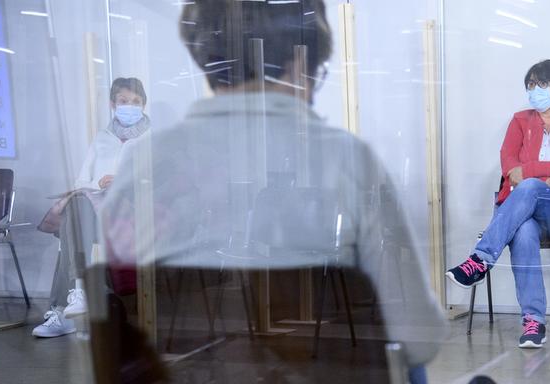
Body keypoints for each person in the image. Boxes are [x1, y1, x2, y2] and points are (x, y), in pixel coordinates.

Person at [96, 1, 445, 382]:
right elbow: (420, 339)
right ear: (300, 66)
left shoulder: (143, 157)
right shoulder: (349, 159)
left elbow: (117, 305)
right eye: (318, 72)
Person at [445, 59, 550, 349]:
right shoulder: (519, 121)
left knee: (528, 186)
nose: (534, 91)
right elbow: (509, 168)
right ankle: (533, 321)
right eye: (530, 85)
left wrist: (535, 175)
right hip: (527, 210)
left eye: (542, 84)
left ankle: (479, 261)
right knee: (524, 229)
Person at [32, 78, 151, 338]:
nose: (129, 106)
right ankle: (76, 295)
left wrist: (122, 181)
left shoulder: (153, 139)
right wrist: (95, 185)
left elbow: (159, 181)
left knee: (72, 226)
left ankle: (65, 304)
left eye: (135, 102)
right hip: (97, 213)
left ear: (144, 105)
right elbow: (82, 181)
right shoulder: (102, 139)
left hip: (133, 215)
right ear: (112, 104)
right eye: (123, 101)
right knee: (76, 210)